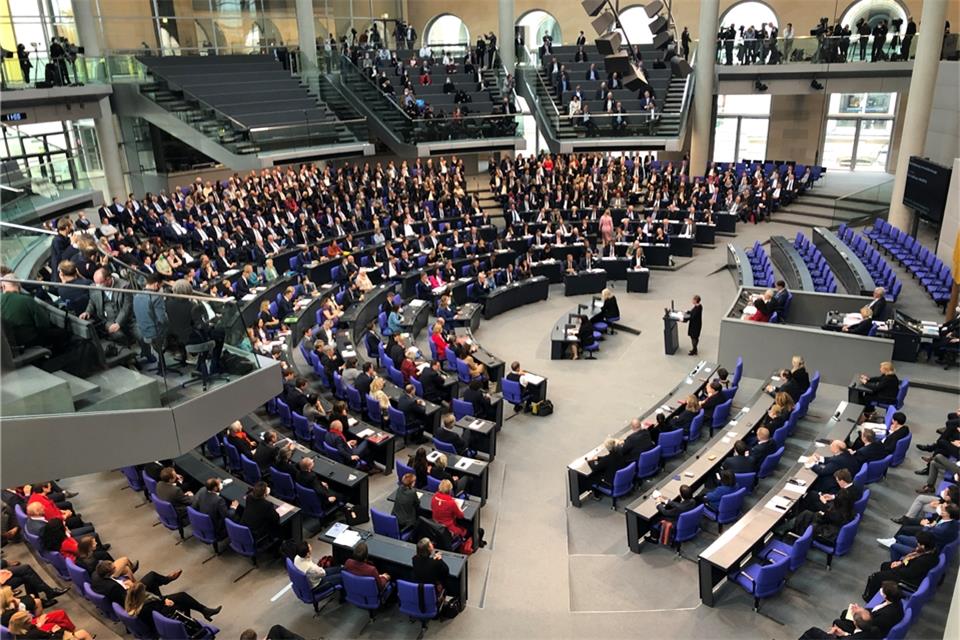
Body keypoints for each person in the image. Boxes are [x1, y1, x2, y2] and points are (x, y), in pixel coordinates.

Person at [123, 580, 220, 636]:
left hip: (158, 613)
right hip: (160, 622)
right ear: (141, 595)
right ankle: (188, 625)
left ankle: (204, 611)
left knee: (181, 596)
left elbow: (156, 601)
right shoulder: (145, 608)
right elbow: (158, 610)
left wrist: (163, 600)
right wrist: (165, 602)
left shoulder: (131, 602)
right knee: (182, 603)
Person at [862, 531, 940, 600]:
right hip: (909, 568)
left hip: (908, 578)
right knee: (885, 565)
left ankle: (868, 597)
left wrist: (897, 567)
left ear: (923, 546)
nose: (917, 544)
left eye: (918, 543)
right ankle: (885, 586)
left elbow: (909, 573)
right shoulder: (932, 551)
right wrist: (900, 562)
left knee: (875, 576)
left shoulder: (923, 560)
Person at [791, 469, 860, 545]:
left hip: (830, 528)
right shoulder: (853, 488)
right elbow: (840, 504)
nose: (837, 482)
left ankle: (799, 538)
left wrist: (824, 504)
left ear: (842, 481)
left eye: (837, 480)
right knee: (807, 511)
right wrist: (833, 497)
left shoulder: (844, 496)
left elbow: (833, 516)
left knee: (806, 515)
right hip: (836, 517)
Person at [133, 273, 169, 371]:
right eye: (161, 286)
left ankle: (161, 364)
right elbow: (163, 320)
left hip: (143, 332)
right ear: (156, 284)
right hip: (156, 334)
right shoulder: (157, 297)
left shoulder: (136, 296)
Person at [431, 479, 473, 553]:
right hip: (449, 529)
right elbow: (461, 516)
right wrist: (457, 507)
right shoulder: (451, 503)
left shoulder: (434, 497)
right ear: (450, 490)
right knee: (468, 530)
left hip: (435, 526)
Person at [411, 538, 450, 605]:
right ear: (428, 549)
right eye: (430, 544)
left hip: (419, 590)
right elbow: (446, 570)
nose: (432, 544)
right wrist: (439, 559)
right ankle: (441, 599)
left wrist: (433, 559)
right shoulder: (436, 562)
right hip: (433, 590)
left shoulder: (414, 559)